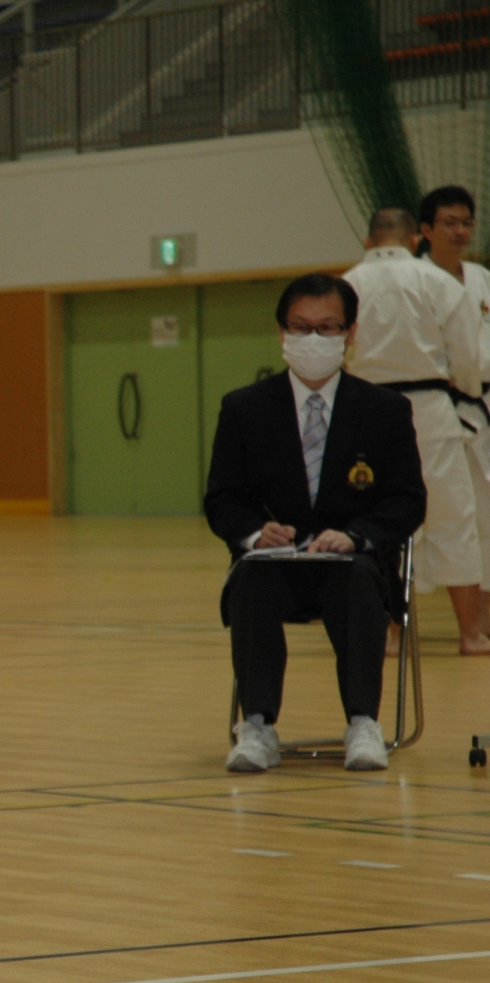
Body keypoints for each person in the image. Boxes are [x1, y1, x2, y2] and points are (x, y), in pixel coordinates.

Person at [206, 274, 426, 772]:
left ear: (350, 333)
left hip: (352, 566)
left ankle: (363, 722)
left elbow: (408, 500)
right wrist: (255, 533)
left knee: (357, 581)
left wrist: (356, 537)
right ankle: (257, 725)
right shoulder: (243, 409)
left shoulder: (386, 411)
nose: (313, 339)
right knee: (251, 578)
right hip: (276, 563)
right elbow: (222, 498)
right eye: (301, 327)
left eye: (327, 328)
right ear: (281, 331)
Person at [343, 206, 489, 655]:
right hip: (430, 411)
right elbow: (468, 357)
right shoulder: (438, 282)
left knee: (379, 519)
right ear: (414, 239)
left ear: (369, 242)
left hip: (367, 414)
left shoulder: (346, 285)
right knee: (453, 519)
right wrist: (467, 387)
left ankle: (390, 634)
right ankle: (470, 634)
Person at [417, 184, 490, 643]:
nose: (460, 231)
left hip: (483, 406)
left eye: (466, 222)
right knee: (443, 516)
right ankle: (398, 620)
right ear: (426, 230)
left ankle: (483, 620)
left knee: (486, 516)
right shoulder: (416, 280)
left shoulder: (482, 278)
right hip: (437, 406)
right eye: (449, 222)